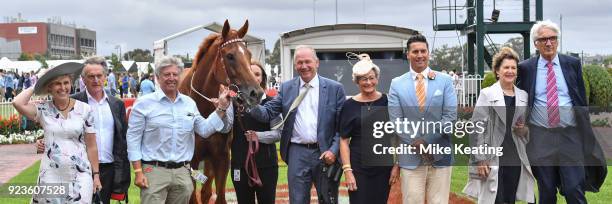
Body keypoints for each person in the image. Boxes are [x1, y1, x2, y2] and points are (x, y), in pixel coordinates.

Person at [516, 20, 607, 204]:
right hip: (540, 138)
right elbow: (519, 98)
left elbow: (580, 97)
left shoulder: (572, 64)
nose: (548, 43)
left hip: (569, 136)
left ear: (557, 41)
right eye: (543, 39)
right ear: (536, 43)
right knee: (547, 190)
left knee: (574, 188)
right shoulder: (526, 68)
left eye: (552, 38)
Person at [126, 56, 234, 204]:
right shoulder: (143, 104)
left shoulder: (189, 103)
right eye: (167, 74)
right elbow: (133, 139)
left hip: (182, 173)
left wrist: (221, 109)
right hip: (154, 172)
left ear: (180, 77)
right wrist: (138, 172)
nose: (172, 78)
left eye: (175, 74)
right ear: (157, 78)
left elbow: (204, 129)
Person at [249, 45, 346, 203]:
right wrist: (248, 101)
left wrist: (334, 151)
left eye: (308, 61)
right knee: (297, 200)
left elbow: (341, 127)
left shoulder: (335, 89)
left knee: (328, 199)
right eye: (299, 62)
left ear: (317, 63)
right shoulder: (287, 88)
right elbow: (267, 114)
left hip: (325, 152)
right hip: (297, 153)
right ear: (295, 66)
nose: (304, 66)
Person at [37, 56, 131, 203]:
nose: (96, 80)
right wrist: (43, 141)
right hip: (79, 168)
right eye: (91, 76)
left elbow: (122, 139)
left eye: (99, 76)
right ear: (83, 79)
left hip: (108, 167)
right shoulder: (72, 101)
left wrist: (123, 172)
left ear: (105, 77)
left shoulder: (116, 104)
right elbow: (55, 126)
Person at [12, 62, 102, 203]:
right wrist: (38, 81)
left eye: (66, 83)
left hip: (80, 173)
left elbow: (92, 146)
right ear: (50, 87)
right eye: (57, 84)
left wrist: (96, 175)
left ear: (71, 84)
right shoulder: (43, 109)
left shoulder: (85, 109)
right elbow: (17, 102)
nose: (63, 87)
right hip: (51, 174)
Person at [388, 34, 457, 204]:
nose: (420, 55)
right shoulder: (397, 84)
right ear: (408, 54)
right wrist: (416, 142)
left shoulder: (445, 81)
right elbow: (397, 122)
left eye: (423, 51)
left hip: (440, 156)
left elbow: (450, 117)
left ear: (428, 53)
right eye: (415, 51)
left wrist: (426, 140)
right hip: (411, 158)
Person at [462, 47, 535, 203]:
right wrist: (480, 159)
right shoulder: (487, 94)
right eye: (506, 67)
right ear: (497, 71)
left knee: (509, 200)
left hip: (515, 158)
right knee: (494, 199)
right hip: (492, 158)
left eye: (513, 67)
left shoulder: (523, 96)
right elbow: (476, 128)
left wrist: (524, 130)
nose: (510, 71)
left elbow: (527, 128)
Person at [339, 54, 399, 204]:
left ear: (377, 79)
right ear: (357, 81)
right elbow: (344, 140)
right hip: (358, 167)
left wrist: (397, 165)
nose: (368, 82)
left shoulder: (388, 101)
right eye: (364, 79)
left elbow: (396, 136)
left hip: (383, 167)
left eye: (371, 78)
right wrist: (348, 171)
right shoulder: (349, 105)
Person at [230, 60, 279, 204]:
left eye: (257, 74)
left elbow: (278, 133)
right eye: (249, 73)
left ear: (263, 78)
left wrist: (258, 136)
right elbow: (224, 128)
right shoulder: (233, 103)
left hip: (267, 166)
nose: (253, 77)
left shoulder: (272, 102)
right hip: (240, 165)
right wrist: (220, 108)